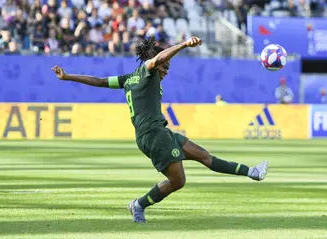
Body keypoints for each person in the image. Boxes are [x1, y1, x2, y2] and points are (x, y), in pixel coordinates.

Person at [51, 36, 268, 223]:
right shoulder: (147, 70)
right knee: (178, 181)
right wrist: (183, 45)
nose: (166, 71)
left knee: (204, 156)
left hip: (160, 132)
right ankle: (138, 204)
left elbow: (99, 81)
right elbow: (156, 61)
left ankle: (253, 172)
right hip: (152, 135)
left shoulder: (128, 79)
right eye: (165, 67)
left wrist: (68, 76)